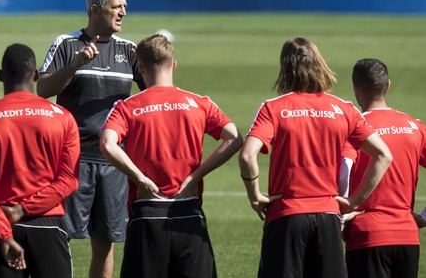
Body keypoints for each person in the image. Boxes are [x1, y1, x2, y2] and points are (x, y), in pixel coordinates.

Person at [238, 37, 392, 278]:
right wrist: (353, 200)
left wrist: (255, 196)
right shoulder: (343, 108)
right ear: (319, 64)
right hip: (328, 217)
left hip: (286, 215)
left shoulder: (273, 107)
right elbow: (384, 154)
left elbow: (247, 155)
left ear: (285, 68)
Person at [100, 34, 244, 277]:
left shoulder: (127, 107)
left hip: (146, 213)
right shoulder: (199, 103)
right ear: (173, 65)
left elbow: (107, 143)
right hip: (189, 212)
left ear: (141, 68)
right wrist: (196, 176)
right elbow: (235, 138)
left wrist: (140, 178)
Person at [36, 0, 144, 278]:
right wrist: (74, 66)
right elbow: (42, 89)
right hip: (73, 161)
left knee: (106, 243)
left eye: (125, 6)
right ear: (95, 9)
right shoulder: (67, 44)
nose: (123, 12)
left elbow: (152, 93)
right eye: (116, 7)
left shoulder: (130, 51)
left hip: (113, 162)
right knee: (60, 237)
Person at [0, 43, 80, 277]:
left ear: (0, 76)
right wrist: (23, 208)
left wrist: (4, 234)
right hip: (48, 226)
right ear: (36, 75)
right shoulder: (64, 118)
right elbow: (68, 181)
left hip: (2, 225)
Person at [342, 58, 426, 278]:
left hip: (366, 235)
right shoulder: (414, 126)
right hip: (408, 236)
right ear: (388, 85)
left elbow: (343, 170)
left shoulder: (352, 128)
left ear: (356, 90)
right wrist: (425, 217)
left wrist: (341, 215)